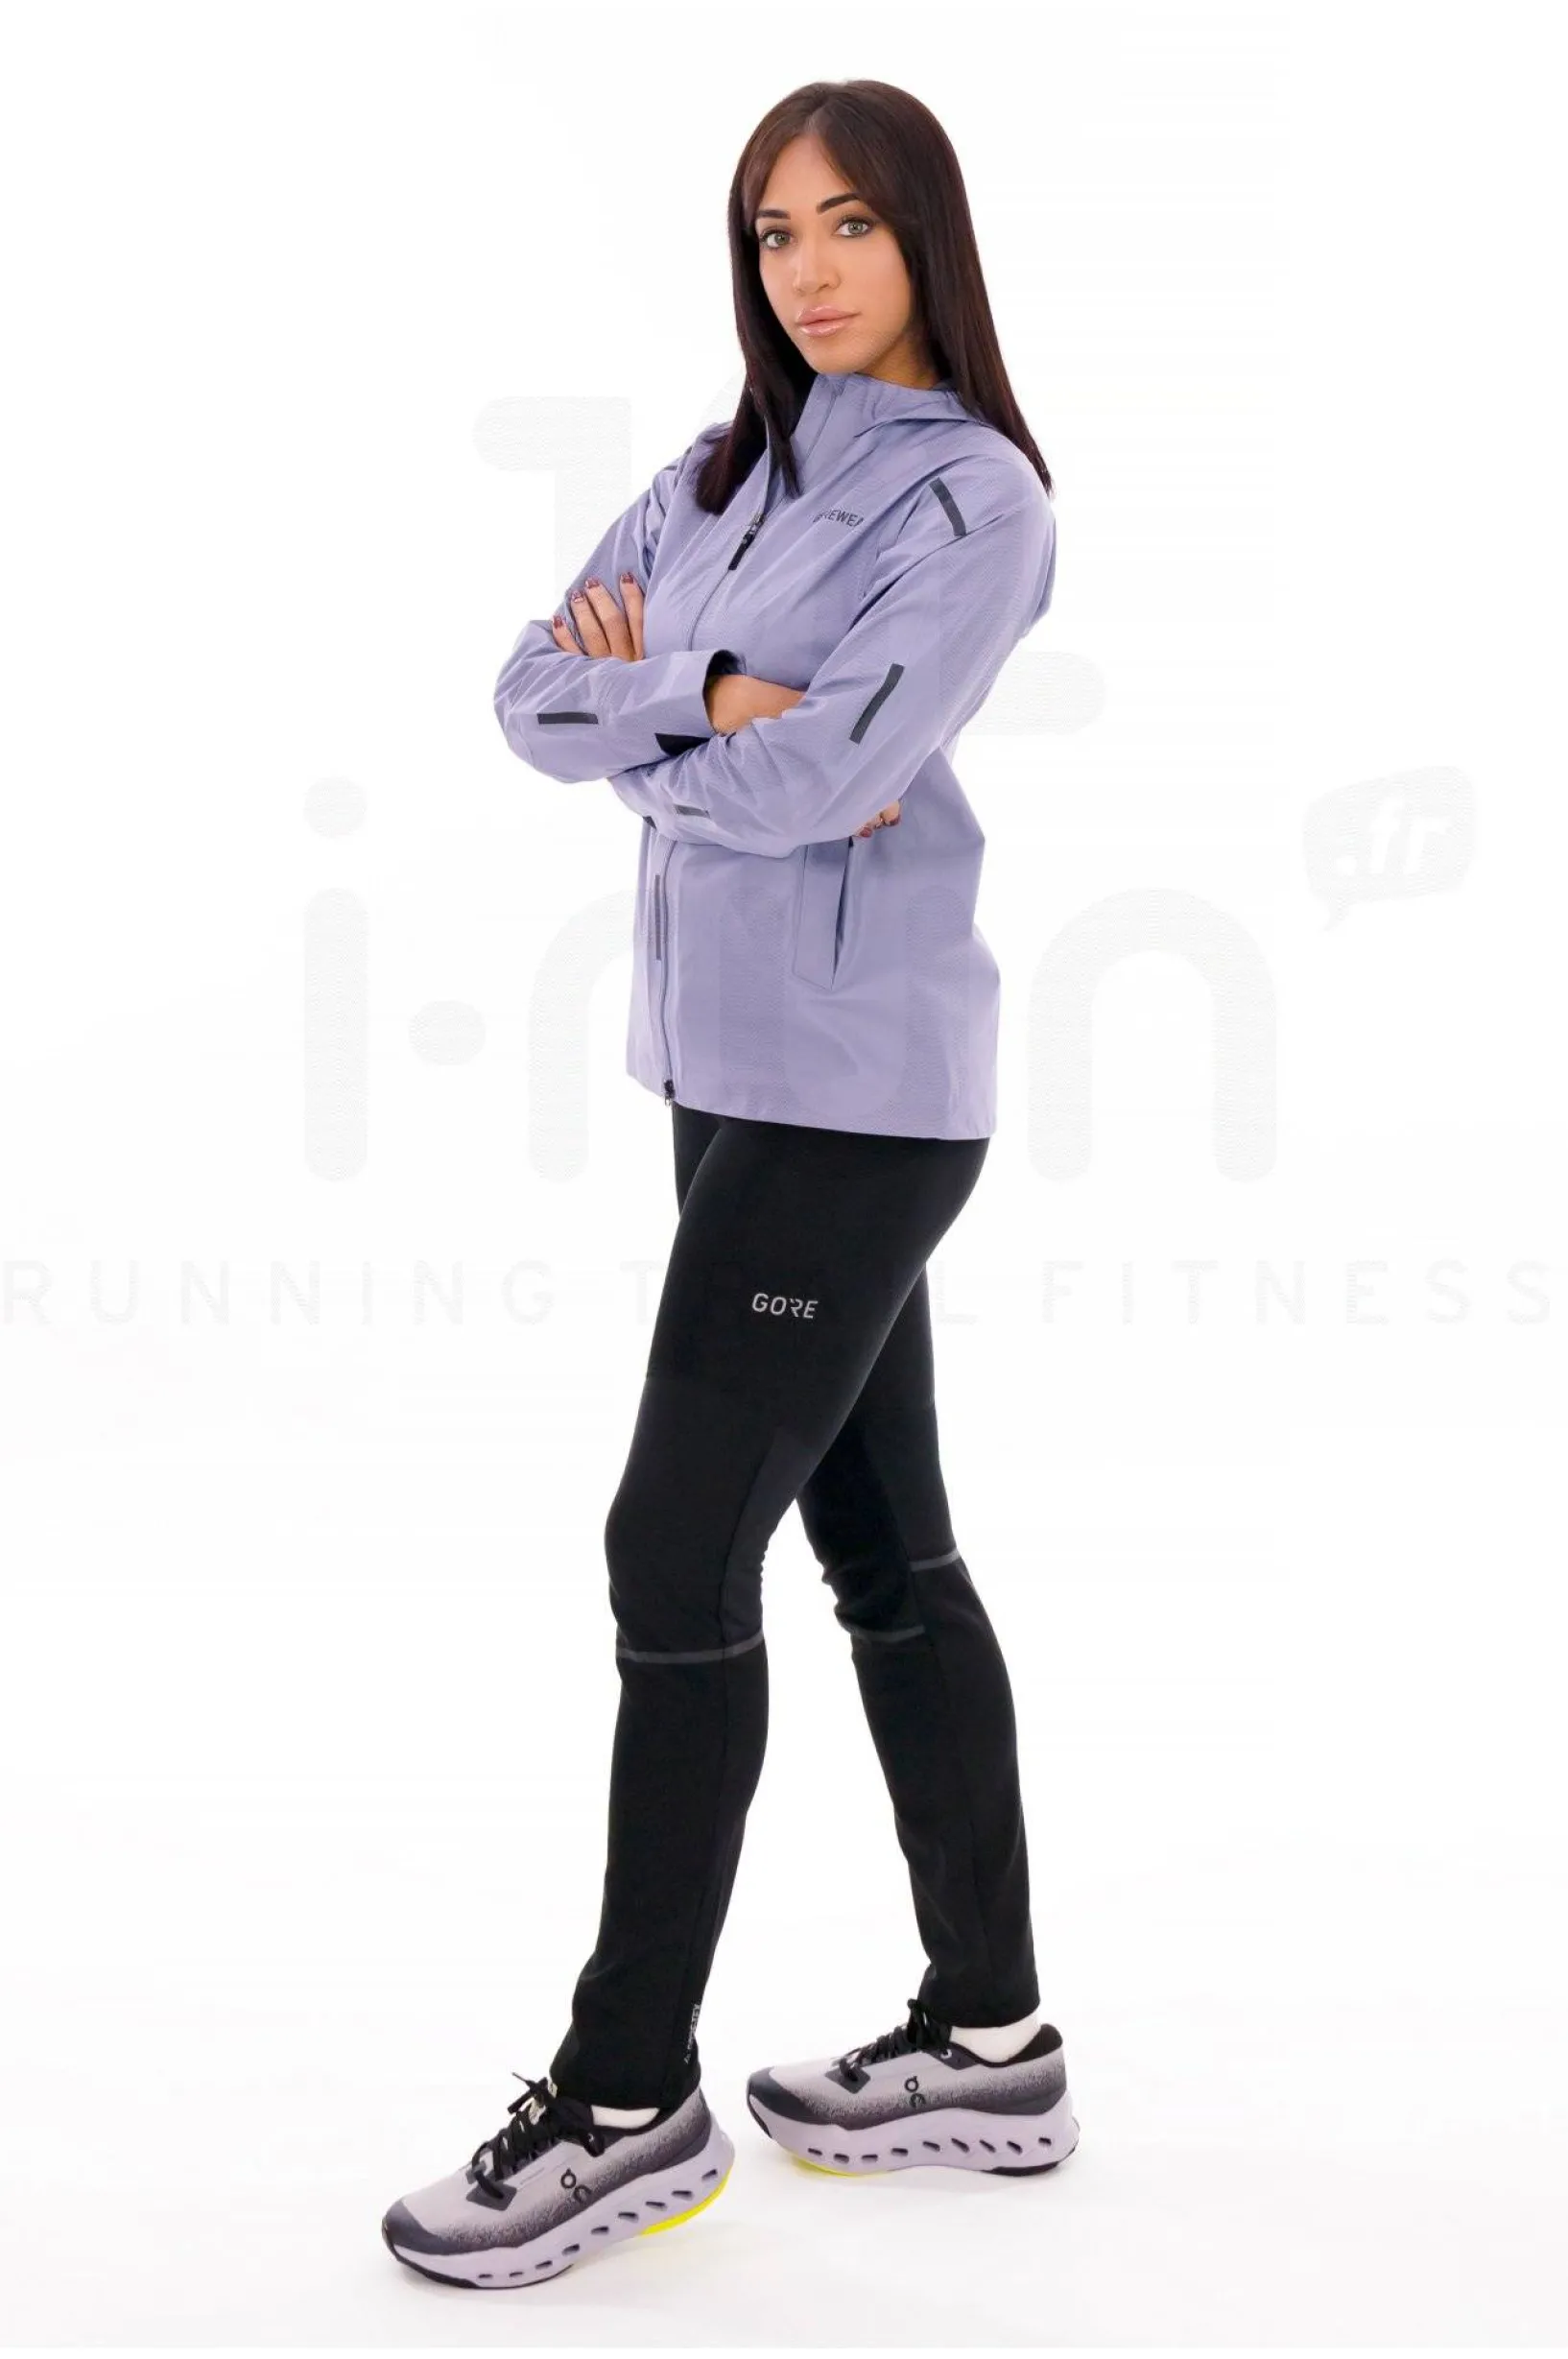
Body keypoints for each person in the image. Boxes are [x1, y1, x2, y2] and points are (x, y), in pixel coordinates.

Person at [381, 78, 1078, 2292]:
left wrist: (680, 726)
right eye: (774, 230)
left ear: (923, 237)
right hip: (718, 1071)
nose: (808, 267)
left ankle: (623, 2096)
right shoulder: (710, 471)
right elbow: (529, 691)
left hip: (862, 1101)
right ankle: (993, 2038)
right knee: (885, 1544)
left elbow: (831, 773)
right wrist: (714, 688)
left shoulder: (975, 501)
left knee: (674, 1544)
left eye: (849, 222)